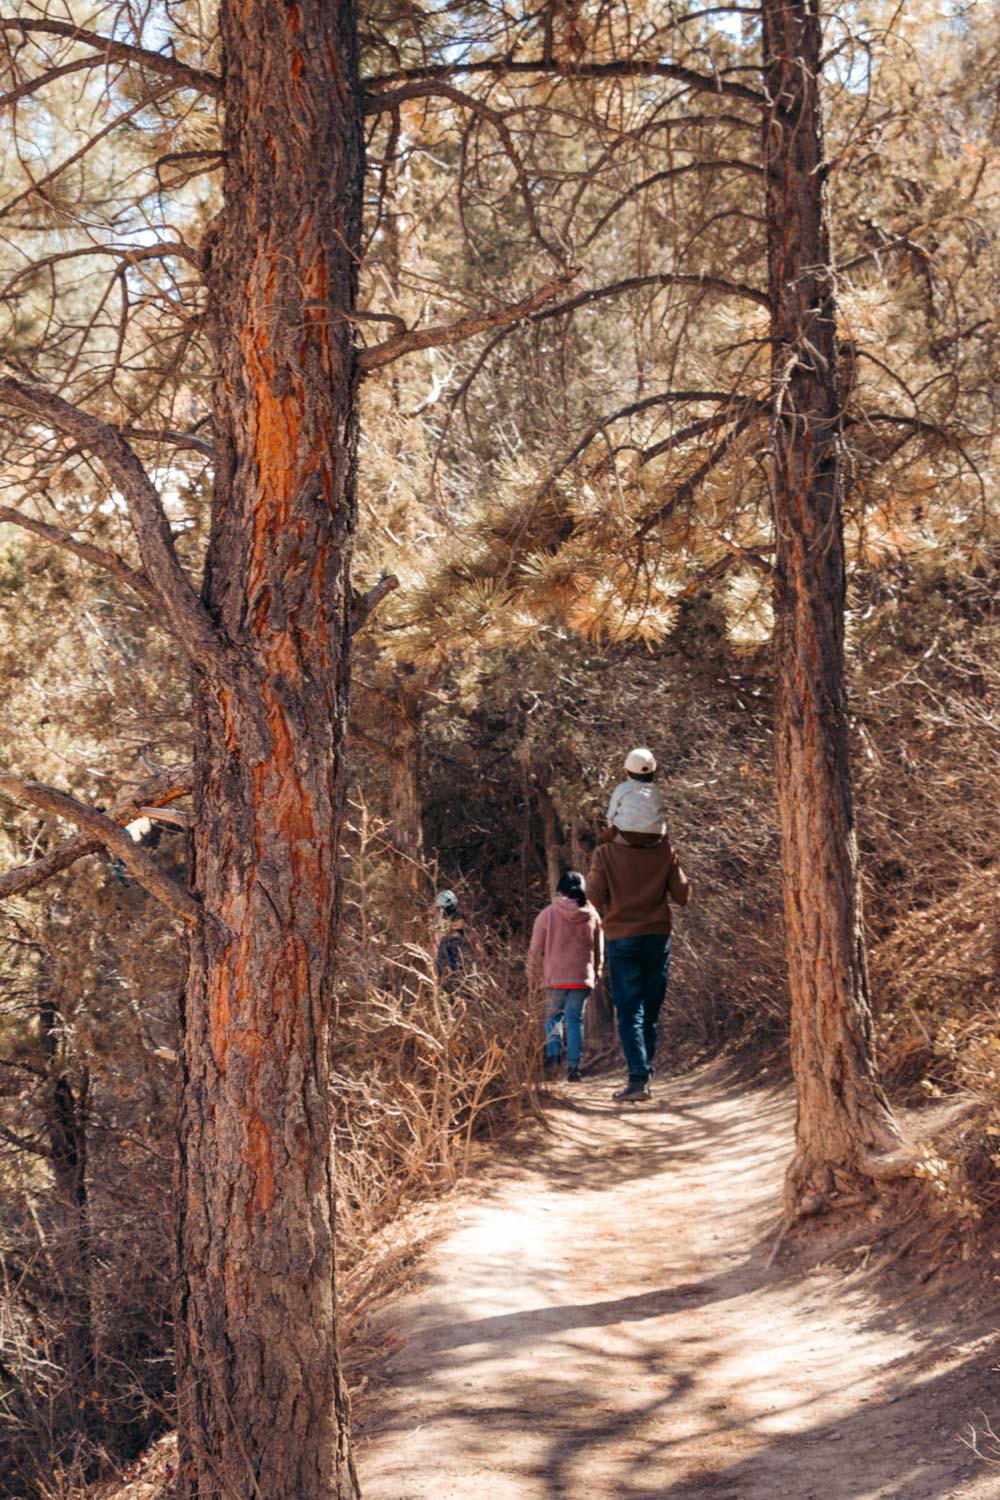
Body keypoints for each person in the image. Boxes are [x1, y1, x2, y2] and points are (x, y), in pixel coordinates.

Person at [587, 782, 690, 1102]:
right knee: (650, 1009)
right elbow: (683, 896)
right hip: (657, 938)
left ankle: (637, 1078)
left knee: (630, 1010)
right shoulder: (665, 851)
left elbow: (593, 897)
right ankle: (643, 1071)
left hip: (623, 939)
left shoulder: (605, 852)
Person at [527, 870, 603, 1082]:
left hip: (554, 977)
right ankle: (574, 1068)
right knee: (575, 1020)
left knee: (553, 1018)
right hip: (581, 977)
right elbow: (600, 949)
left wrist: (531, 974)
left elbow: (535, 949)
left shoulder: (547, 914)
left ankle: (553, 1058)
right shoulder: (592, 914)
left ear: (559, 890)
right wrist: (596, 973)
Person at [603, 746, 668, 842]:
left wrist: (611, 831)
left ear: (626, 771)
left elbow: (610, 815)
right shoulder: (656, 791)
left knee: (601, 845)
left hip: (626, 834)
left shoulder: (622, 788)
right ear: (653, 772)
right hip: (655, 836)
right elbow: (662, 814)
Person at [434, 888, 472, 996]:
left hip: (456, 944)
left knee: (458, 971)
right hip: (444, 944)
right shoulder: (441, 917)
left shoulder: (458, 916)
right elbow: (437, 934)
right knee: (442, 971)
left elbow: (460, 925)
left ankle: (461, 995)